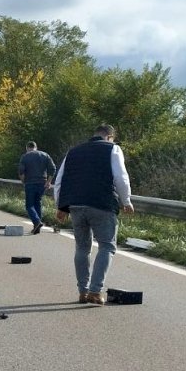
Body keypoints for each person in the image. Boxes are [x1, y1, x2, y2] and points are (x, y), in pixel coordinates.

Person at [53, 124, 134, 305]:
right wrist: (126, 201)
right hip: (102, 204)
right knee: (106, 246)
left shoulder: (73, 151)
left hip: (75, 205)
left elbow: (60, 180)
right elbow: (121, 177)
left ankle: (83, 292)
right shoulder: (113, 149)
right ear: (109, 137)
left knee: (82, 248)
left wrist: (60, 206)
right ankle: (95, 292)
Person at [17, 141, 57, 234]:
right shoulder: (45, 155)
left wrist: (23, 181)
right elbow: (53, 168)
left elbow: (21, 171)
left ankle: (37, 222)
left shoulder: (25, 156)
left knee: (29, 205)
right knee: (37, 202)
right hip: (42, 183)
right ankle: (37, 227)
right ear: (36, 147)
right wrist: (48, 181)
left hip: (30, 183)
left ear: (27, 148)